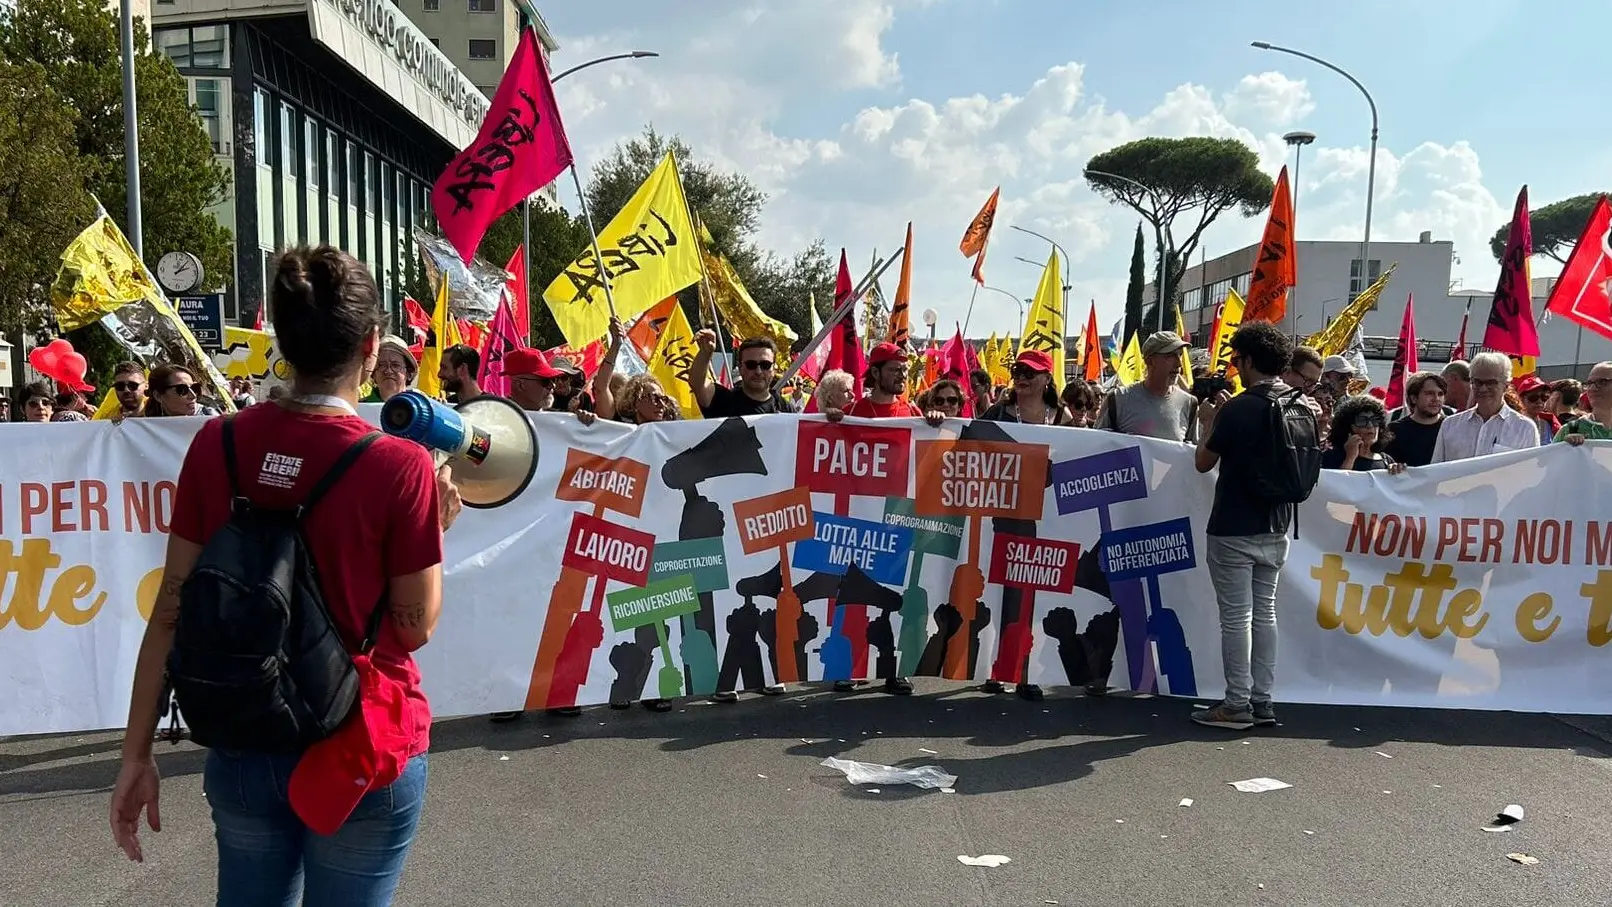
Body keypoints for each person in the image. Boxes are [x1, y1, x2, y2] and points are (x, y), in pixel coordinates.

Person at [109, 246, 461, 905]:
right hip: (360, 742)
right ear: (371, 343)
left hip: (246, 734)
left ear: (281, 341)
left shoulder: (219, 443)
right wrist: (435, 526)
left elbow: (170, 610)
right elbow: (414, 628)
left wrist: (135, 755)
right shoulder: (401, 466)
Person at [1192, 322, 1299, 731]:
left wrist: (1209, 422)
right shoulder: (1299, 404)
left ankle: (1236, 703)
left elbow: (1204, 461)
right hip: (1277, 524)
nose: (1234, 366)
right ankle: (1262, 700)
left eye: (1236, 359)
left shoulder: (1239, 407)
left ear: (1250, 360)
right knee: (1265, 614)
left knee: (1236, 619)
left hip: (1234, 524)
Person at [1430, 352, 1540, 463]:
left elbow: (1531, 475)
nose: (1483, 388)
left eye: (1491, 383)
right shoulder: (1450, 425)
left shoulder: (1525, 429)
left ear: (1506, 386)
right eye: (1477, 382)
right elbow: (1436, 470)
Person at [1095, 331, 1198, 441]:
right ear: (1150, 361)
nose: (1179, 364)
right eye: (1170, 356)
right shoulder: (1117, 400)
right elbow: (1097, 447)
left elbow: (1194, 454)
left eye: (1180, 355)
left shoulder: (1189, 404)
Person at [689, 332, 789, 417]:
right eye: (751, 365)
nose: (758, 371)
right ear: (740, 367)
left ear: (774, 369)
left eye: (765, 365)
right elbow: (697, 383)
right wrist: (705, 352)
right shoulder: (724, 401)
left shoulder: (786, 409)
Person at [979, 350, 1068, 426]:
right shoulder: (997, 412)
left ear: (1047, 378)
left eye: (1029, 373)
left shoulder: (1062, 416)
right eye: (1017, 372)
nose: (1021, 377)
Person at [1385, 372, 1447, 467]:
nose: (1436, 399)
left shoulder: (1452, 427)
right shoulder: (1395, 430)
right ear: (1413, 398)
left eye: (1440, 394)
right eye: (1429, 393)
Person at [1322, 396, 1400, 472]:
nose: (1370, 425)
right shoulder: (1332, 456)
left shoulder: (1386, 460)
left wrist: (1397, 471)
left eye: (1375, 420)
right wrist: (1350, 457)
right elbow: (1335, 483)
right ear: (1349, 427)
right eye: (1362, 421)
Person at [1557, 362, 1612, 444]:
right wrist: (1563, 447)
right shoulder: (1571, 429)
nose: (1593, 388)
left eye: (1602, 382)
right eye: (1589, 383)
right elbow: (1547, 456)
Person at [143, 365, 219, 417]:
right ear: (158, 396)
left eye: (194, 388)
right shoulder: (143, 428)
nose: (193, 396)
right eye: (182, 390)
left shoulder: (211, 418)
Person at [505, 347, 566, 413]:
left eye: (553, 379)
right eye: (545, 381)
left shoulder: (559, 419)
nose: (553, 385)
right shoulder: (496, 419)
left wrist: (576, 421)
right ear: (520, 385)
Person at [364, 335, 418, 402]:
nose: (388, 371)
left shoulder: (421, 407)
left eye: (395, 365)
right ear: (373, 374)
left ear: (408, 373)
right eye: (382, 365)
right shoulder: (358, 409)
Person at [1513, 374, 1560, 444]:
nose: (1539, 401)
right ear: (1521, 399)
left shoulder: (1548, 424)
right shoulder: (1512, 424)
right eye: (1533, 397)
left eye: (1544, 397)